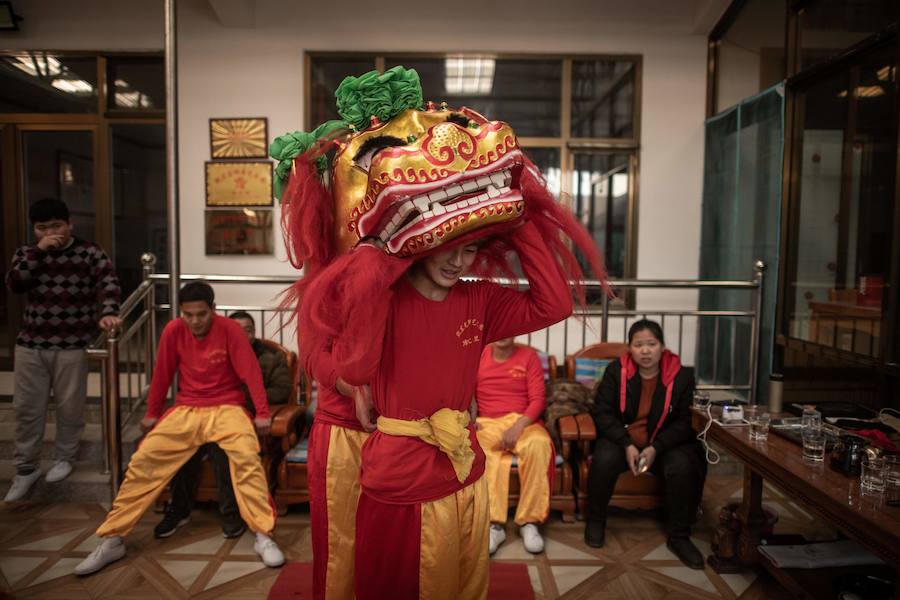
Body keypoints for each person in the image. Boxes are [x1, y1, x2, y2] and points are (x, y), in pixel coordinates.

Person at [73, 281, 284, 575]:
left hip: (227, 408)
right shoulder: (173, 330)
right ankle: (113, 539)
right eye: (188, 315)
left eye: (201, 314)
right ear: (181, 313)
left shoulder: (231, 330)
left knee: (247, 460)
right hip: (187, 408)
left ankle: (264, 535)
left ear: (213, 309)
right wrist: (151, 413)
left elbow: (250, 372)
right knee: (143, 463)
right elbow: (162, 374)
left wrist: (262, 412)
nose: (194, 321)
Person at [4, 198, 122, 502]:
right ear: (35, 229)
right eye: (42, 228)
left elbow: (108, 285)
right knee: (27, 408)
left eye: (56, 225)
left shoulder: (90, 253)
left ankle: (65, 458)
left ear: (70, 224)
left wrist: (108, 312)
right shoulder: (27, 254)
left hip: (73, 344)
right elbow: (15, 284)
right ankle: (26, 468)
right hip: (31, 343)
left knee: (70, 407)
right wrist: (39, 251)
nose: (50, 232)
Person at [153, 310, 293, 540]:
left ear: (254, 332)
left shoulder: (270, 356)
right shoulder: (214, 353)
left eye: (246, 330)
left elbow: (282, 390)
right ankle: (179, 510)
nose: (240, 334)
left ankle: (231, 515)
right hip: (206, 417)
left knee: (222, 452)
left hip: (245, 419)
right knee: (182, 450)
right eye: (235, 330)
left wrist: (236, 399)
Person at [584, 319, 707, 569]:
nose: (645, 350)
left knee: (682, 465)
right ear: (630, 348)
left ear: (662, 346)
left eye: (651, 344)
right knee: (604, 459)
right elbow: (603, 412)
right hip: (624, 440)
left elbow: (685, 422)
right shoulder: (615, 371)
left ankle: (679, 536)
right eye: (638, 345)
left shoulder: (682, 376)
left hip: (664, 443)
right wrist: (627, 444)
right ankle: (596, 520)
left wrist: (656, 448)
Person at [474, 337, 554, 555]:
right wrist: (471, 420)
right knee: (480, 450)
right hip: (487, 423)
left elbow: (538, 399)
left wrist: (517, 427)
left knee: (539, 444)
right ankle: (494, 525)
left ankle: (529, 522)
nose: (503, 333)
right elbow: (467, 394)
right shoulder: (477, 354)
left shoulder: (529, 357)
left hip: (523, 422)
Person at [304, 350, 371, 600]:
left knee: (396, 539)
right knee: (339, 541)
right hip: (341, 429)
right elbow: (315, 355)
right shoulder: (322, 310)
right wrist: (357, 390)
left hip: (404, 426)